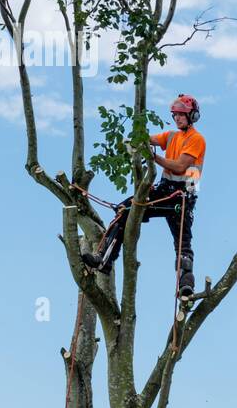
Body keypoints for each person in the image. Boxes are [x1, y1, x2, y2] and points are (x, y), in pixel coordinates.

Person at [81, 94, 205, 296]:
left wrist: (152, 156)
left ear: (192, 115)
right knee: (125, 210)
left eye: (182, 115)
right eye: (175, 115)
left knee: (183, 244)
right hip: (165, 189)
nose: (177, 119)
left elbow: (180, 166)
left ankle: (185, 285)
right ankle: (104, 259)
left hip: (181, 197)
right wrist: (135, 140)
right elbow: (151, 138)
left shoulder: (196, 139)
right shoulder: (172, 136)